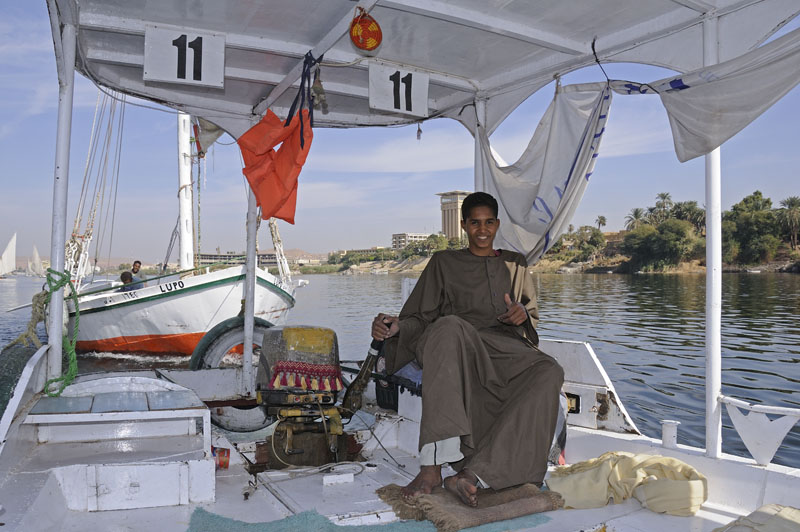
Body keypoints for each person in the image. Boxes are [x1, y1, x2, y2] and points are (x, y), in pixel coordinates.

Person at [372, 192, 564, 508]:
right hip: (456, 343)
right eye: (475, 222)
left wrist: (521, 315)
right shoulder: (444, 263)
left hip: (503, 347)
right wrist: (398, 327)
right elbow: (421, 317)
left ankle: (471, 475)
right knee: (448, 326)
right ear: (464, 225)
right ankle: (431, 468)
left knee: (549, 370)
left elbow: (530, 321)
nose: (482, 229)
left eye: (489, 222)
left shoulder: (515, 265)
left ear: (497, 224)